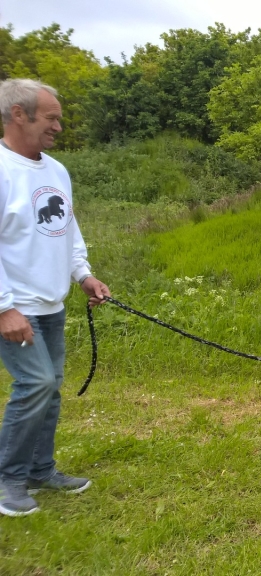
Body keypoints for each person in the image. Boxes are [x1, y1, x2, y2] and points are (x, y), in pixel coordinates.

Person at [0, 79, 110, 517]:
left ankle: (41, 470)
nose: (59, 127)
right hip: (15, 307)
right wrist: (4, 307)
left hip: (51, 303)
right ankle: (9, 478)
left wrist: (82, 274)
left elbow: (67, 228)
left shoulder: (56, 170)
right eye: (51, 118)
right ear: (19, 115)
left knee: (52, 388)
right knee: (36, 384)